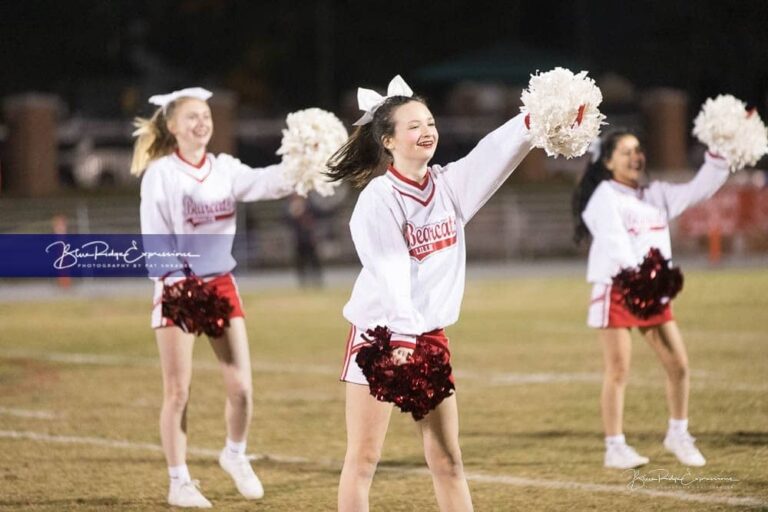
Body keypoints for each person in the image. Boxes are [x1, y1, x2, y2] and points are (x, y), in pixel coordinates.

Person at [327, 75, 533, 512]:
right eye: (414, 126)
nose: (427, 132)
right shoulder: (378, 199)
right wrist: (401, 337)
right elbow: (389, 269)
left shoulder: (449, 185)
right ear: (387, 140)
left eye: (431, 122)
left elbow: (492, 155)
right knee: (364, 460)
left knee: (448, 459)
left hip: (428, 336)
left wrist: (534, 123)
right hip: (380, 337)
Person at [132, 87, 295, 508]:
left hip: (220, 283)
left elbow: (267, 183)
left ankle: (235, 454)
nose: (201, 122)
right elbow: (155, 239)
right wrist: (179, 280)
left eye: (205, 115)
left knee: (241, 387)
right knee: (178, 392)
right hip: (177, 286)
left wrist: (303, 164)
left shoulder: (224, 168)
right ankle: (179, 481)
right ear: (171, 126)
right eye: (191, 117)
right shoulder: (161, 174)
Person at [572, 129, 730, 469]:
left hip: (651, 289)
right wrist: (643, 275)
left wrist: (721, 152)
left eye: (638, 150)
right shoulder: (603, 197)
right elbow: (615, 241)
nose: (635, 156)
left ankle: (678, 433)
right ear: (609, 161)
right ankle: (614, 446)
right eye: (626, 151)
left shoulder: (655, 195)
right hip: (617, 288)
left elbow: (698, 189)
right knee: (618, 370)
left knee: (679, 365)